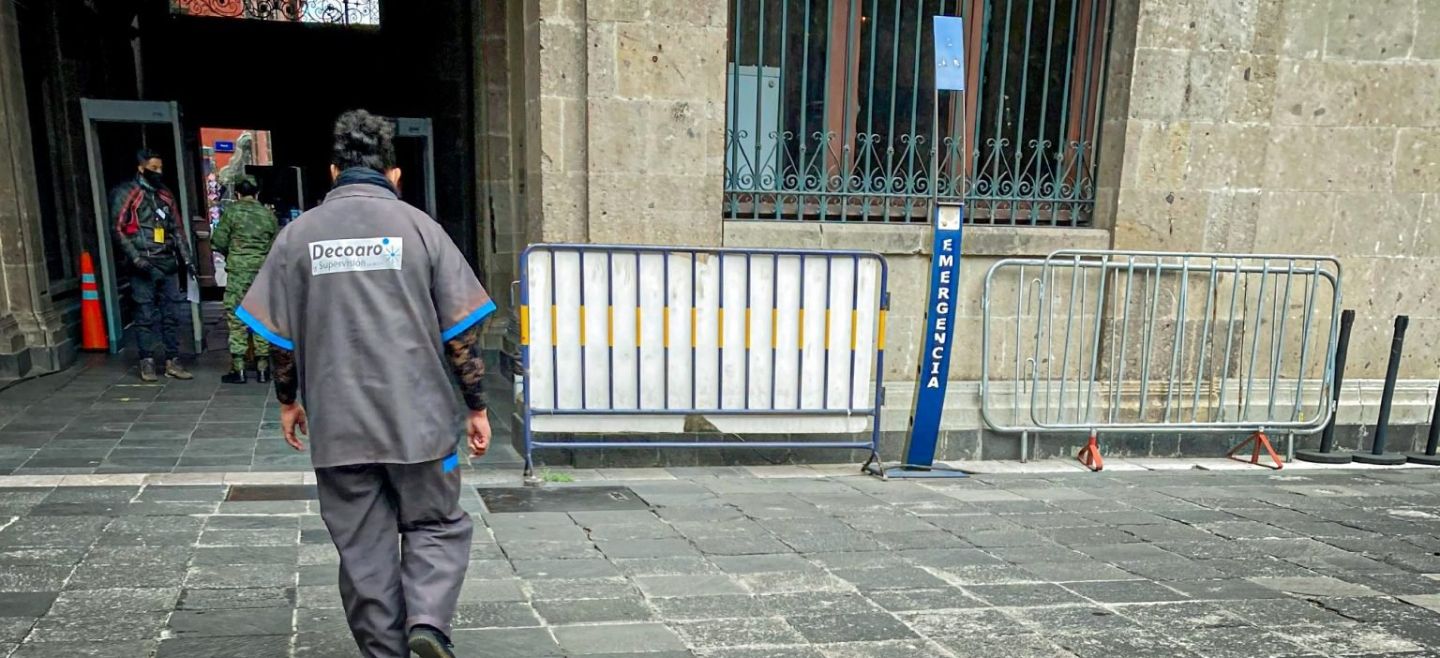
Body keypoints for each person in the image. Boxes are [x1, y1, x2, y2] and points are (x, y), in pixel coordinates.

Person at [237, 109, 494, 658]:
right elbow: (460, 335)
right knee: (437, 523)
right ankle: (427, 621)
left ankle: (386, 652)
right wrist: (476, 406)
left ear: (333, 172)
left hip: (338, 426)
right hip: (420, 425)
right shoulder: (423, 230)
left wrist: (288, 402)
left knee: (363, 547)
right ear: (394, 175)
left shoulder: (296, 237)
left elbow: (279, 339)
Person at [110, 149, 194, 382]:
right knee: (144, 313)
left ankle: (172, 360)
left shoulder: (165, 195)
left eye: (160, 168)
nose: (158, 172)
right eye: (154, 168)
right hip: (143, 263)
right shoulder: (127, 193)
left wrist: (187, 259)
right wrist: (135, 258)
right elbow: (117, 228)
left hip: (167, 262)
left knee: (172, 314)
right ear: (141, 167)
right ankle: (146, 361)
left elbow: (177, 229)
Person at [211, 175, 280, 384]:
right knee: (260, 317)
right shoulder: (267, 215)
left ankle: (239, 368)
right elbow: (275, 245)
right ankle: (262, 368)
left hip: (238, 273)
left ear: (237, 193)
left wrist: (235, 255)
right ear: (257, 193)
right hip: (261, 273)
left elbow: (218, 241)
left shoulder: (231, 213)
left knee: (237, 318)